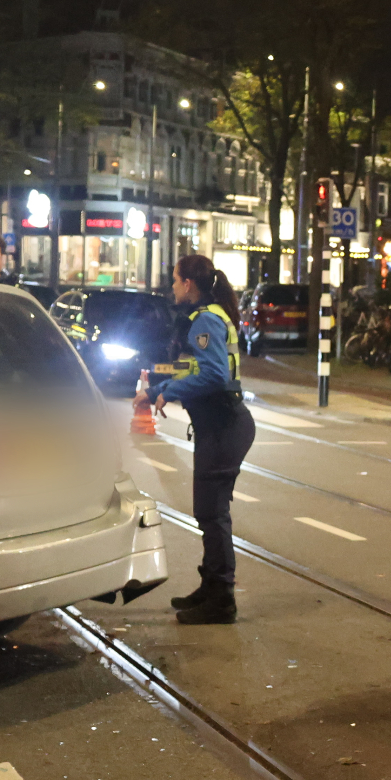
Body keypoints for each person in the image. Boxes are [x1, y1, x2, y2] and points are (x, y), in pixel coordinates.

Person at [137, 255, 257, 625]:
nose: (172, 287)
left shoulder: (205, 318)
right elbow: (194, 369)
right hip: (219, 426)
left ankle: (221, 599)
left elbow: (216, 376)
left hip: (223, 426)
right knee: (208, 511)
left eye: (175, 281)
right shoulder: (209, 315)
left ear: (188, 284)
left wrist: (168, 390)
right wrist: (157, 388)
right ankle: (211, 587)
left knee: (212, 513)